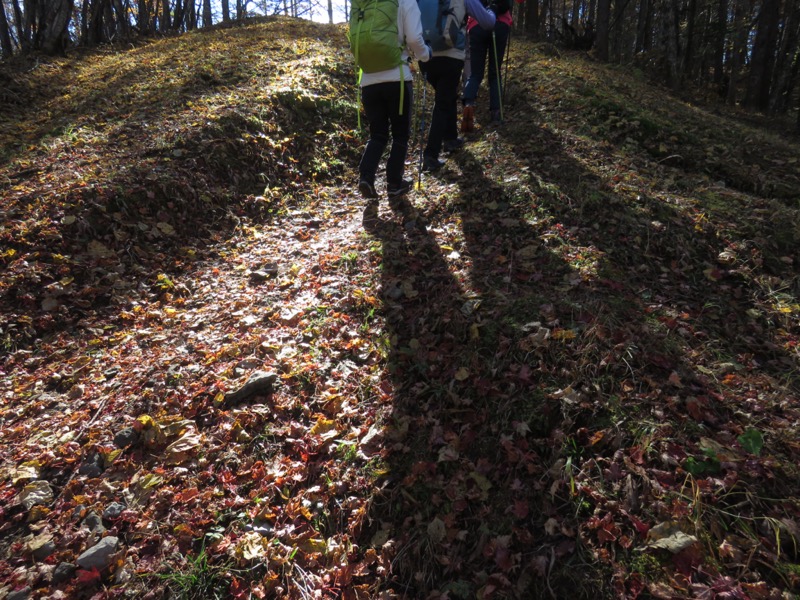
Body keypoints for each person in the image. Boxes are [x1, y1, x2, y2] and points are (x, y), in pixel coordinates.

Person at [357, 0, 432, 201]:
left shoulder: (366, 3)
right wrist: (426, 55)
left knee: (378, 134)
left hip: (368, 80)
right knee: (400, 134)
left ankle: (366, 177)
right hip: (397, 77)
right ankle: (394, 183)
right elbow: (415, 39)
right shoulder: (406, 1)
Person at [419, 0, 496, 172]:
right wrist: (493, 12)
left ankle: (450, 138)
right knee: (442, 103)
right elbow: (487, 22)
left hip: (426, 55)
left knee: (446, 96)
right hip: (451, 55)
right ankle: (430, 155)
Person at [461, 0, 512, 131]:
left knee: (476, 73)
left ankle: (468, 104)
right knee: (495, 72)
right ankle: (495, 113)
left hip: (476, 24)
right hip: (501, 24)